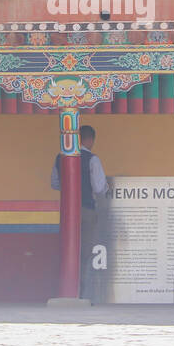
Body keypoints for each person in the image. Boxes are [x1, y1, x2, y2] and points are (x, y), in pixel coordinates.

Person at [50, 124, 109, 302]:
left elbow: (54, 183)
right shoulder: (92, 159)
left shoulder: (59, 158)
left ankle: (65, 288)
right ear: (90, 140)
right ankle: (80, 292)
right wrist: (107, 188)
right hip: (87, 210)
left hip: (68, 211)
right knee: (84, 253)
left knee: (67, 248)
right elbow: (99, 187)